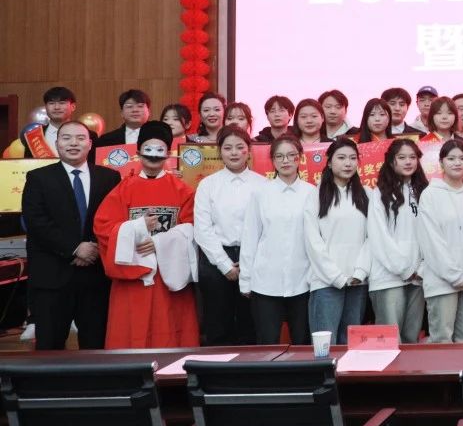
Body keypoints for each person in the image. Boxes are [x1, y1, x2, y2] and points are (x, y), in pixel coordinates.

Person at [94, 120, 199, 348]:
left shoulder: (183, 190)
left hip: (168, 273)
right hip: (133, 273)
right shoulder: (123, 189)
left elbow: (192, 228)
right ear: (139, 152)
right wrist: (137, 229)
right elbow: (103, 226)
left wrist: (159, 243)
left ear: (168, 153)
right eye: (148, 149)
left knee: (170, 328)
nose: (153, 155)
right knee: (132, 328)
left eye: (159, 149)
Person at [22, 120, 120, 350]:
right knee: (50, 347)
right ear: (57, 143)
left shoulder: (109, 177)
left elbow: (116, 219)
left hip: (96, 276)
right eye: (66, 138)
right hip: (52, 276)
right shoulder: (38, 178)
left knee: (96, 347)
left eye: (80, 138)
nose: (73, 143)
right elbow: (36, 221)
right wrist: (75, 248)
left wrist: (93, 247)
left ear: (90, 144)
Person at [194, 125, 265, 345]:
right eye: (227, 148)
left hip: (252, 257)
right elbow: (202, 229)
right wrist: (225, 265)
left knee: (250, 324)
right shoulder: (208, 185)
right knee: (217, 325)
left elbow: (266, 227)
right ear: (219, 152)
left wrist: (248, 261)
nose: (234, 153)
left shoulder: (263, 184)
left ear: (249, 151)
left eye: (239, 147)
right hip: (215, 260)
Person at [239, 135, 313, 344]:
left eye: (291, 155)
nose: (285, 160)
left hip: (303, 281)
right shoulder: (261, 193)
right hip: (266, 282)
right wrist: (245, 279)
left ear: (300, 158)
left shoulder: (312, 193)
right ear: (272, 160)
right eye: (279, 156)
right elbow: (250, 237)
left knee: (302, 344)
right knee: (267, 344)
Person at [417, 139, 463, 343]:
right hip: (441, 281)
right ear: (441, 163)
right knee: (442, 339)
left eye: (462, 158)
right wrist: (454, 276)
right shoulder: (430, 195)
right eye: (451, 158)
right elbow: (431, 241)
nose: (457, 163)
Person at [304, 138, 371, 345]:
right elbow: (313, 241)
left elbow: (372, 238)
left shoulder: (367, 195)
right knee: (325, 345)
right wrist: (336, 277)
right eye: (341, 158)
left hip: (357, 282)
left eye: (353, 158)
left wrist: (360, 272)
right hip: (325, 282)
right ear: (329, 162)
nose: (348, 163)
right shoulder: (315, 195)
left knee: (350, 344)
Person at [368, 138, 426, 344]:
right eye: (402, 157)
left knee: (411, 339)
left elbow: (431, 235)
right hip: (388, 277)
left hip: (418, 276)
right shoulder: (379, 193)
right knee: (390, 341)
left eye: (412, 157)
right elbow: (378, 236)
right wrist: (404, 268)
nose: (408, 162)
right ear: (392, 161)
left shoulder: (424, 192)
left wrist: (421, 268)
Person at [21, 86, 86, 158]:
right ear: (46, 107)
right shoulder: (33, 137)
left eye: (62, 103)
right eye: (51, 103)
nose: (56, 107)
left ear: (73, 107)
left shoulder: (87, 135)